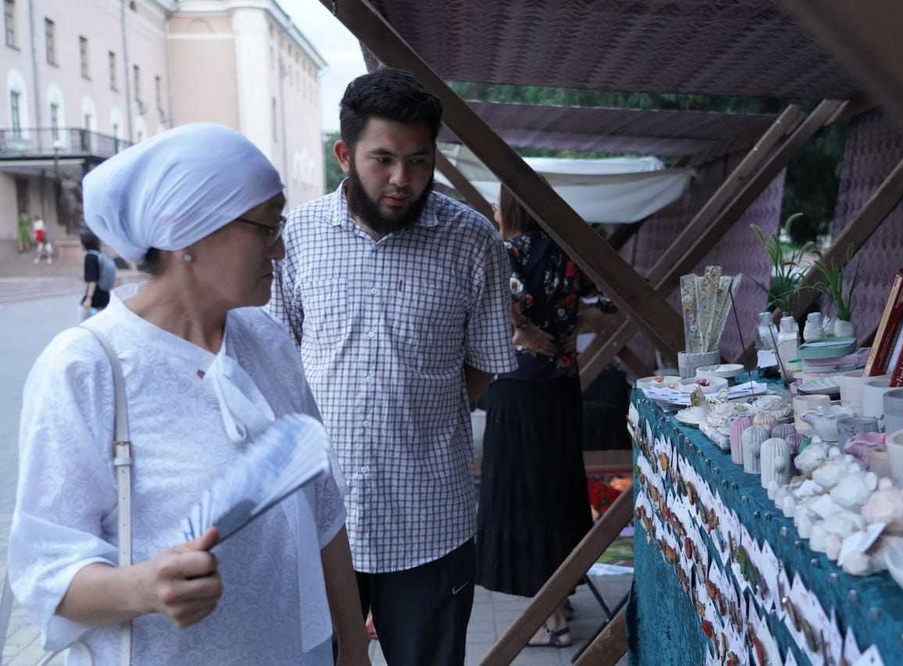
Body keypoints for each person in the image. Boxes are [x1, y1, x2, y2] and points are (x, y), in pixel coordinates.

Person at [6, 123, 370, 665]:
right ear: (188, 233)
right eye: (267, 227)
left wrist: (354, 647)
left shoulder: (266, 340)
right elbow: (44, 570)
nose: (281, 249)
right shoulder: (87, 366)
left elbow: (322, 505)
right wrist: (145, 588)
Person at [269, 69, 517, 665]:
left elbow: (484, 364)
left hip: (431, 518)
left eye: (419, 161)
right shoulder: (298, 236)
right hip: (320, 516)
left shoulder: (472, 239)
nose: (402, 180)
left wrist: (416, 408)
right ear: (344, 155)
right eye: (382, 159)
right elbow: (277, 359)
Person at [476, 186, 614, 648]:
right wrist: (576, 322)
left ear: (509, 208)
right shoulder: (567, 253)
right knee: (556, 488)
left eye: (496, 205)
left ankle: (551, 618)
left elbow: (493, 304)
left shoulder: (506, 252)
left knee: (523, 496)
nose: (493, 212)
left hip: (518, 388)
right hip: (561, 386)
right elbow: (611, 298)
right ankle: (561, 597)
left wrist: (524, 330)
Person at [79, 229, 114, 319]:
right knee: (102, 319)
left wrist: (89, 297)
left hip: (95, 295)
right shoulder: (100, 255)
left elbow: (92, 279)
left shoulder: (90, 257)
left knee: (85, 320)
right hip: (104, 294)